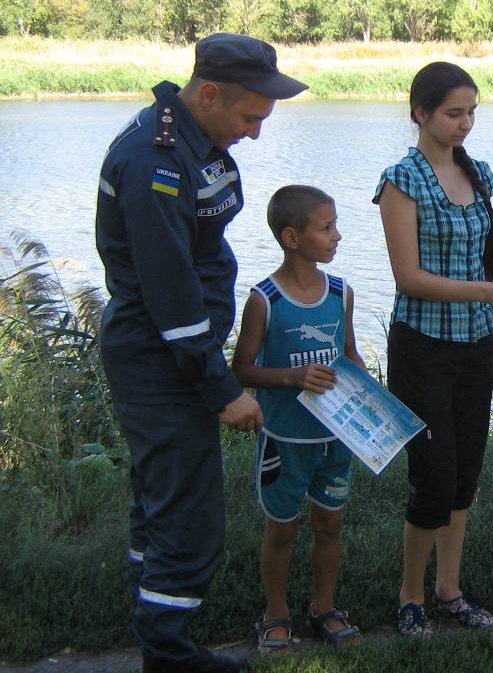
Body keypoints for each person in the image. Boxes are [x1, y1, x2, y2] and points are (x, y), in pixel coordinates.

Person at [95, 33, 307, 673]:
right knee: (188, 520)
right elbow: (171, 296)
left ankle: (153, 627)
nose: (255, 134)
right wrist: (223, 391)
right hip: (161, 361)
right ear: (208, 94)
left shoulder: (191, 140)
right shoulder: (155, 160)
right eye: (250, 118)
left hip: (170, 354)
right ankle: (170, 655)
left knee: (160, 503)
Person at [372, 62, 493, 637]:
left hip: (472, 345)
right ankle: (410, 596)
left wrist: (491, 342)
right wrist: (487, 292)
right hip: (422, 348)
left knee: (465, 477)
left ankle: (450, 588)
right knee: (433, 479)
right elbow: (408, 277)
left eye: (472, 112)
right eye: (453, 113)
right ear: (421, 113)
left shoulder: (479, 175)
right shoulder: (401, 181)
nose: (465, 123)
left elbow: (480, 263)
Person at [230, 185, 364, 656]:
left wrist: (370, 396)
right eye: (326, 228)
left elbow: (348, 355)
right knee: (282, 529)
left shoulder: (341, 292)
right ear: (292, 237)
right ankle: (276, 613)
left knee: (330, 524)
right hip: (285, 438)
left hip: (336, 437)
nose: (337, 236)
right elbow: (241, 369)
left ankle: (324, 607)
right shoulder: (264, 300)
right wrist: (293, 377)